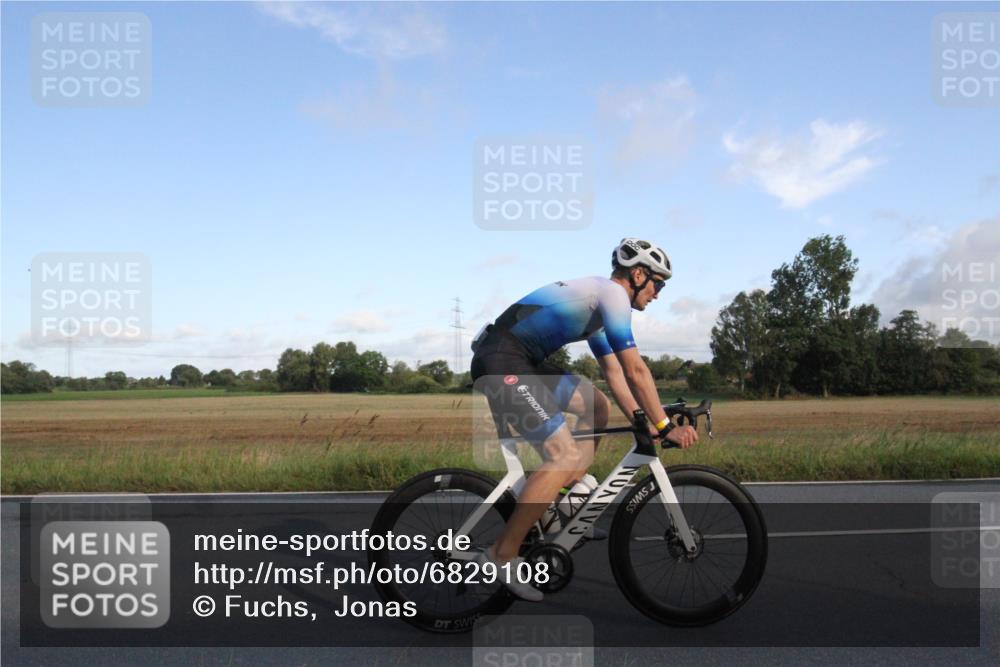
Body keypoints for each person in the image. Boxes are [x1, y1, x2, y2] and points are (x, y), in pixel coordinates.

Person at [470, 238, 699, 601]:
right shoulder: (613, 296)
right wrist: (664, 427)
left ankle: (568, 496)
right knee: (561, 454)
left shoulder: (599, 309)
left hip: (517, 360)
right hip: (503, 362)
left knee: (595, 405)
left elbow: (615, 376)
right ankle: (501, 553)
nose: (658, 293)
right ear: (638, 274)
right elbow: (635, 369)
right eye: (659, 283)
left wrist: (643, 420)